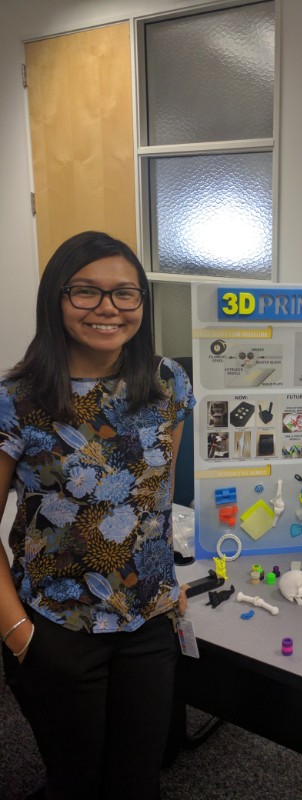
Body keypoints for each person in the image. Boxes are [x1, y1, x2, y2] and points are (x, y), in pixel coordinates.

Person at [0, 231, 195, 799]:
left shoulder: (166, 382)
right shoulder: (18, 398)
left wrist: (167, 578)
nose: (108, 308)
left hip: (148, 620)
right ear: (56, 299)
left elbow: (157, 498)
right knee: (76, 782)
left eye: (124, 293)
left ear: (141, 303)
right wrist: (18, 634)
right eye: (86, 291)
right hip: (57, 626)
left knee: (137, 781)